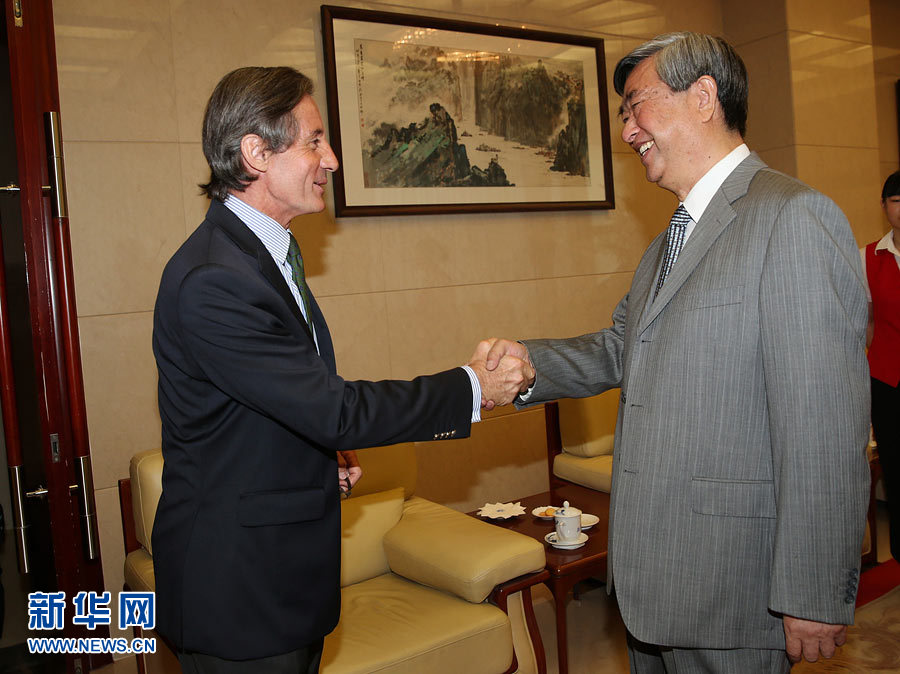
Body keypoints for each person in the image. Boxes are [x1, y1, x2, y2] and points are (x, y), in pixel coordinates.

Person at [481, 32, 869, 673]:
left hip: (737, 590)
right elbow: (620, 347)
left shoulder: (793, 219)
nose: (628, 131)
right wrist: (527, 362)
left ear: (704, 97)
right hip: (656, 585)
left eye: (637, 106)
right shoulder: (669, 241)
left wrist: (815, 592)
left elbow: (825, 427)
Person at [151, 66, 533, 673]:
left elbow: (270, 405)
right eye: (314, 140)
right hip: (239, 595)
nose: (331, 158)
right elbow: (332, 408)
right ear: (255, 152)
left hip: (280, 583)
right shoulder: (214, 280)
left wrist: (312, 461)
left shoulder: (257, 257)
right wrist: (472, 388)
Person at [861, 171, 900, 562]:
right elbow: (867, 321)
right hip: (887, 379)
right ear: (884, 205)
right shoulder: (869, 255)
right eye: (896, 200)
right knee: (894, 468)